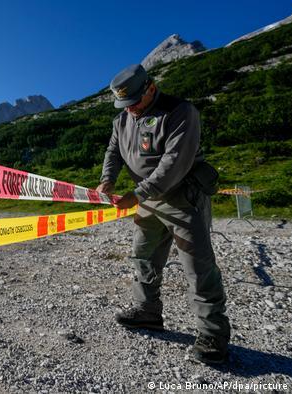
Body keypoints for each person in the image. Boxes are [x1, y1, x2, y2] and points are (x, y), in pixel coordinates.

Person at [97, 64, 230, 364]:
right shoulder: (122, 120)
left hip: (182, 198)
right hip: (147, 201)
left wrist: (137, 194)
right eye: (124, 104)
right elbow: (113, 152)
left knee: (198, 266)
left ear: (151, 89)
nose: (130, 109)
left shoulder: (181, 112)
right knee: (143, 256)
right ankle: (147, 312)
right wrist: (109, 178)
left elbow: (174, 164)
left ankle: (213, 336)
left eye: (134, 102)